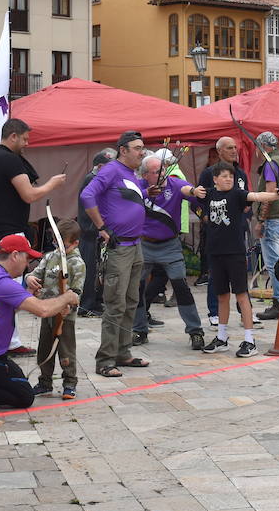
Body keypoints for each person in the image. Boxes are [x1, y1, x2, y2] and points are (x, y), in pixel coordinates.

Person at [0, 233, 80, 410]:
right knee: (24, 396)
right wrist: (67, 297)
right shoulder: (2, 282)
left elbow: (5, 306)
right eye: (26, 258)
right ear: (15, 255)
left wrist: (27, 292)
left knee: (18, 378)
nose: (28, 264)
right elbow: (43, 310)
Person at [81, 130, 151, 377]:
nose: (142, 152)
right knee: (115, 303)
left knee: (131, 301)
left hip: (135, 245)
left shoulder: (130, 173)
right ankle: (105, 360)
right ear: (123, 150)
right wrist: (101, 226)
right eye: (137, 148)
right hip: (119, 247)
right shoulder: (111, 169)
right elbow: (87, 195)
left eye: (143, 147)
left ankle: (123, 352)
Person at [193, 163, 279, 357]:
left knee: (241, 295)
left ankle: (250, 340)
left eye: (230, 176)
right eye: (223, 176)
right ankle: (222, 337)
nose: (228, 179)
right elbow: (186, 191)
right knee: (222, 295)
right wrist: (191, 189)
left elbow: (256, 196)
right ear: (215, 179)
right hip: (215, 253)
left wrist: (275, 195)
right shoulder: (208, 194)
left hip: (235, 253)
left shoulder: (237, 194)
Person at [133, 151, 204, 350]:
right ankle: (139, 329)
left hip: (170, 245)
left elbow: (189, 190)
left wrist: (196, 192)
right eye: (156, 172)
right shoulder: (139, 187)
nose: (161, 174)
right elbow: (122, 198)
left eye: (163, 169)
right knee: (137, 288)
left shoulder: (174, 184)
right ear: (145, 175)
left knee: (181, 287)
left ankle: (195, 331)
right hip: (144, 244)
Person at [0, 119, 66, 266]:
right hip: (8, 233)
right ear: (13, 136)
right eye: (25, 139)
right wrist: (52, 184)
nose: (27, 144)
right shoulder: (9, 159)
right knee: (9, 282)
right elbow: (29, 195)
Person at [29, 219, 85, 400]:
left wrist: (69, 304)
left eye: (64, 244)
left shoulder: (77, 263)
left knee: (66, 349)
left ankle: (70, 382)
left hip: (64, 316)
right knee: (44, 347)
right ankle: (45, 382)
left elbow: (76, 292)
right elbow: (35, 274)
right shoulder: (49, 256)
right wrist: (30, 278)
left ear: (75, 243)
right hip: (47, 311)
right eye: (56, 241)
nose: (59, 247)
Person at [200, 136, 250, 326]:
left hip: (237, 230)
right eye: (229, 148)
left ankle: (244, 311)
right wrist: (205, 216)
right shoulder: (209, 174)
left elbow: (248, 197)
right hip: (216, 231)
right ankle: (214, 311)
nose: (234, 151)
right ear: (219, 151)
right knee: (217, 275)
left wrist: (248, 212)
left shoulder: (241, 174)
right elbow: (199, 198)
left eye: (235, 147)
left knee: (240, 277)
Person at [76, 148, 115, 317]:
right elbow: (91, 207)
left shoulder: (96, 179)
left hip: (96, 232)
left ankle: (96, 302)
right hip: (90, 232)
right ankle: (86, 306)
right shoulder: (91, 179)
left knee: (98, 270)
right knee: (90, 271)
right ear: (100, 166)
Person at [254, 131, 279, 320]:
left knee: (273, 263)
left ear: (262, 146)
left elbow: (269, 193)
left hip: (273, 219)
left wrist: (260, 220)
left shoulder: (270, 163)